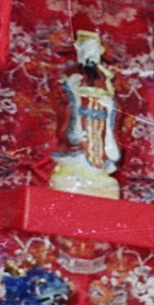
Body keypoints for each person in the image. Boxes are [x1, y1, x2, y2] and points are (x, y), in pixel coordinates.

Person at [50, 29, 121, 198]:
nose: (91, 55)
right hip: (80, 117)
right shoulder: (72, 73)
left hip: (100, 119)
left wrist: (108, 103)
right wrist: (73, 95)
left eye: (94, 51)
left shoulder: (104, 76)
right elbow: (61, 97)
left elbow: (111, 97)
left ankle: (97, 175)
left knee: (101, 148)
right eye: (87, 50)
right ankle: (75, 172)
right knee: (78, 145)